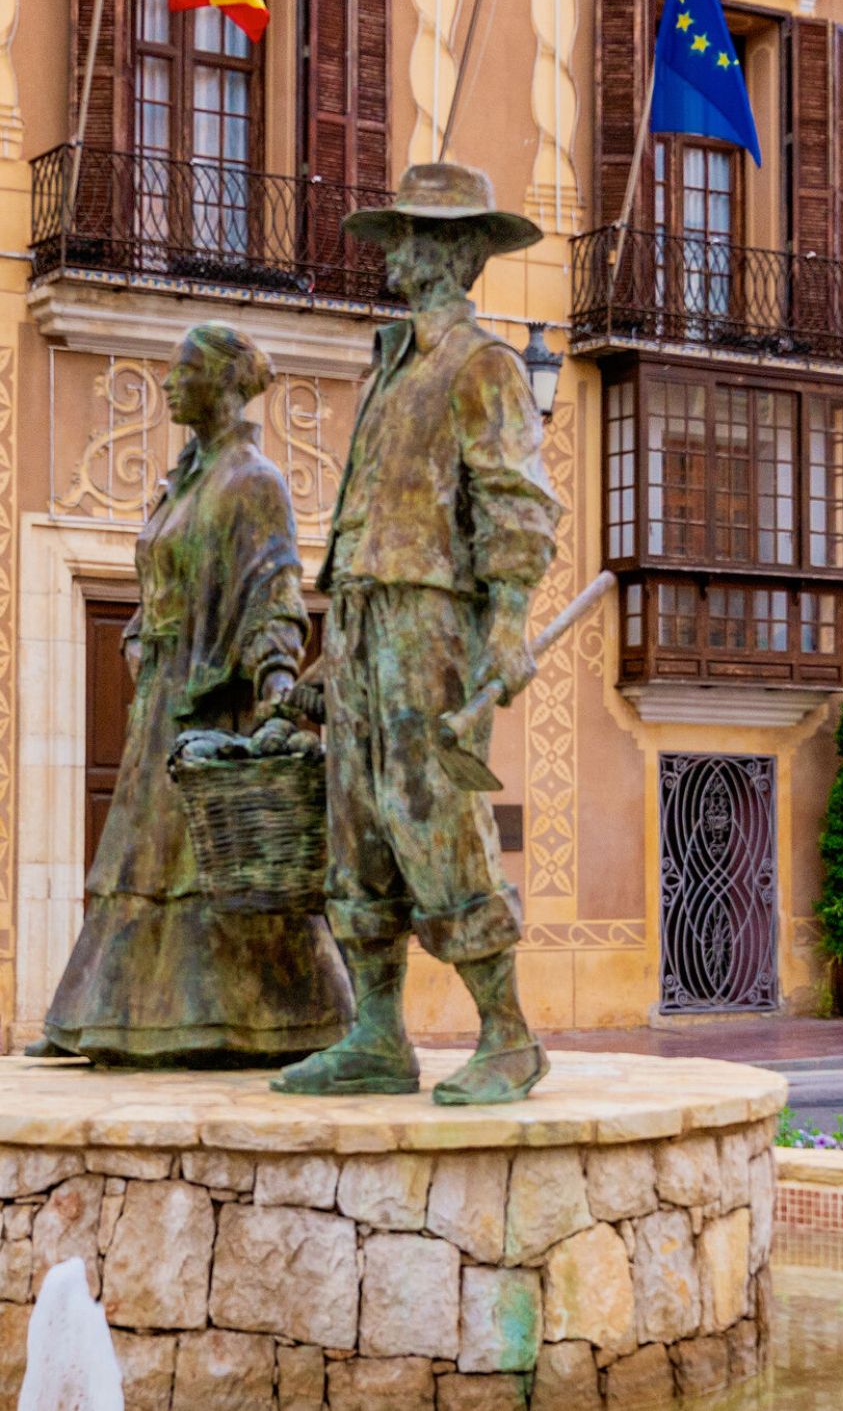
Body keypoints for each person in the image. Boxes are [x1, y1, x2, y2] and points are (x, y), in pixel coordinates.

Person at [274, 162, 560, 1107]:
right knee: (356, 822)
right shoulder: (391, 364)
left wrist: (507, 620)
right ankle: (375, 1033)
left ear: (447, 251)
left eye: (406, 234)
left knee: (432, 815)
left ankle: (508, 1035)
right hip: (364, 615)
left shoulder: (483, 365)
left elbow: (516, 500)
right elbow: (365, 510)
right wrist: (333, 650)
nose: (391, 250)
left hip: (431, 617)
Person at [34, 324, 353, 1066]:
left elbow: (277, 590)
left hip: (216, 700)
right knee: (139, 857)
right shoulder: (182, 483)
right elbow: (159, 583)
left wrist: (278, 686)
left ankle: (279, 1020)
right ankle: (101, 1018)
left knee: (216, 861)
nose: (169, 382)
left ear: (223, 382)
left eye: (184, 370)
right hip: (162, 696)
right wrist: (139, 636)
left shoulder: (253, 482)